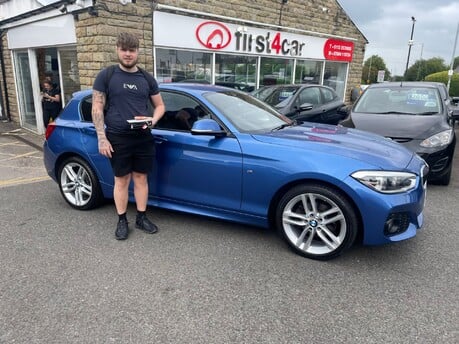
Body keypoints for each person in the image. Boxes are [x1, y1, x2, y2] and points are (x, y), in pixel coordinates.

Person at [92, 32, 166, 240]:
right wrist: (101, 137)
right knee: (121, 180)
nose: (127, 54)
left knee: (141, 178)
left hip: (143, 137)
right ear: (117, 49)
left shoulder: (146, 78)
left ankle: (141, 218)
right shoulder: (106, 75)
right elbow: (97, 107)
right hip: (117, 137)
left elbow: (160, 106)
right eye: (124, 50)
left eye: (131, 50)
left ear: (137, 52)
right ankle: (122, 220)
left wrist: (153, 120)